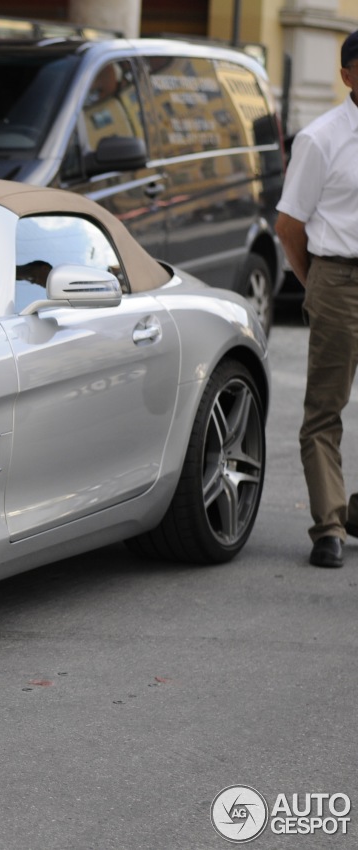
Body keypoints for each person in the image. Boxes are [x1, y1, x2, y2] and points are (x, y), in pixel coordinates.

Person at [276, 29, 358, 568]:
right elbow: (288, 225)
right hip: (339, 280)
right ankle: (328, 525)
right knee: (325, 408)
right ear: (348, 74)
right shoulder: (321, 138)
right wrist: (318, 284)